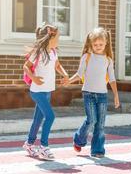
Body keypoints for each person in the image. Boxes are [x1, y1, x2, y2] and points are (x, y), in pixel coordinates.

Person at [64, 27, 120, 158]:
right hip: (88, 93)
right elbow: (79, 74)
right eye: (95, 45)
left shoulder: (108, 60)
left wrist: (116, 95)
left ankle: (97, 150)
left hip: (102, 95)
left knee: (100, 124)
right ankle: (79, 139)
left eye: (100, 44)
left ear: (106, 43)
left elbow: (112, 79)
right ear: (91, 44)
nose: (98, 47)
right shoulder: (87, 57)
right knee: (92, 120)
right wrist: (69, 81)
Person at [22, 23, 69, 160]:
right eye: (57, 38)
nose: (59, 40)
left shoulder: (53, 52)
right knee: (50, 116)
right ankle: (44, 147)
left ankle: (29, 144)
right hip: (37, 91)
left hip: (48, 91)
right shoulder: (38, 53)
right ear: (49, 37)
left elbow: (57, 65)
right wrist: (33, 78)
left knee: (38, 119)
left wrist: (65, 74)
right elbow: (26, 66)